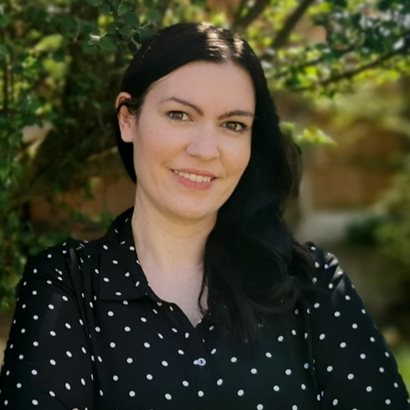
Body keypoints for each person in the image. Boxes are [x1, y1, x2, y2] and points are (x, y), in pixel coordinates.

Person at [0, 22, 409, 410]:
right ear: (128, 119)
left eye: (233, 124)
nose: (205, 149)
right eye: (180, 115)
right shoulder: (66, 284)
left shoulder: (312, 284)